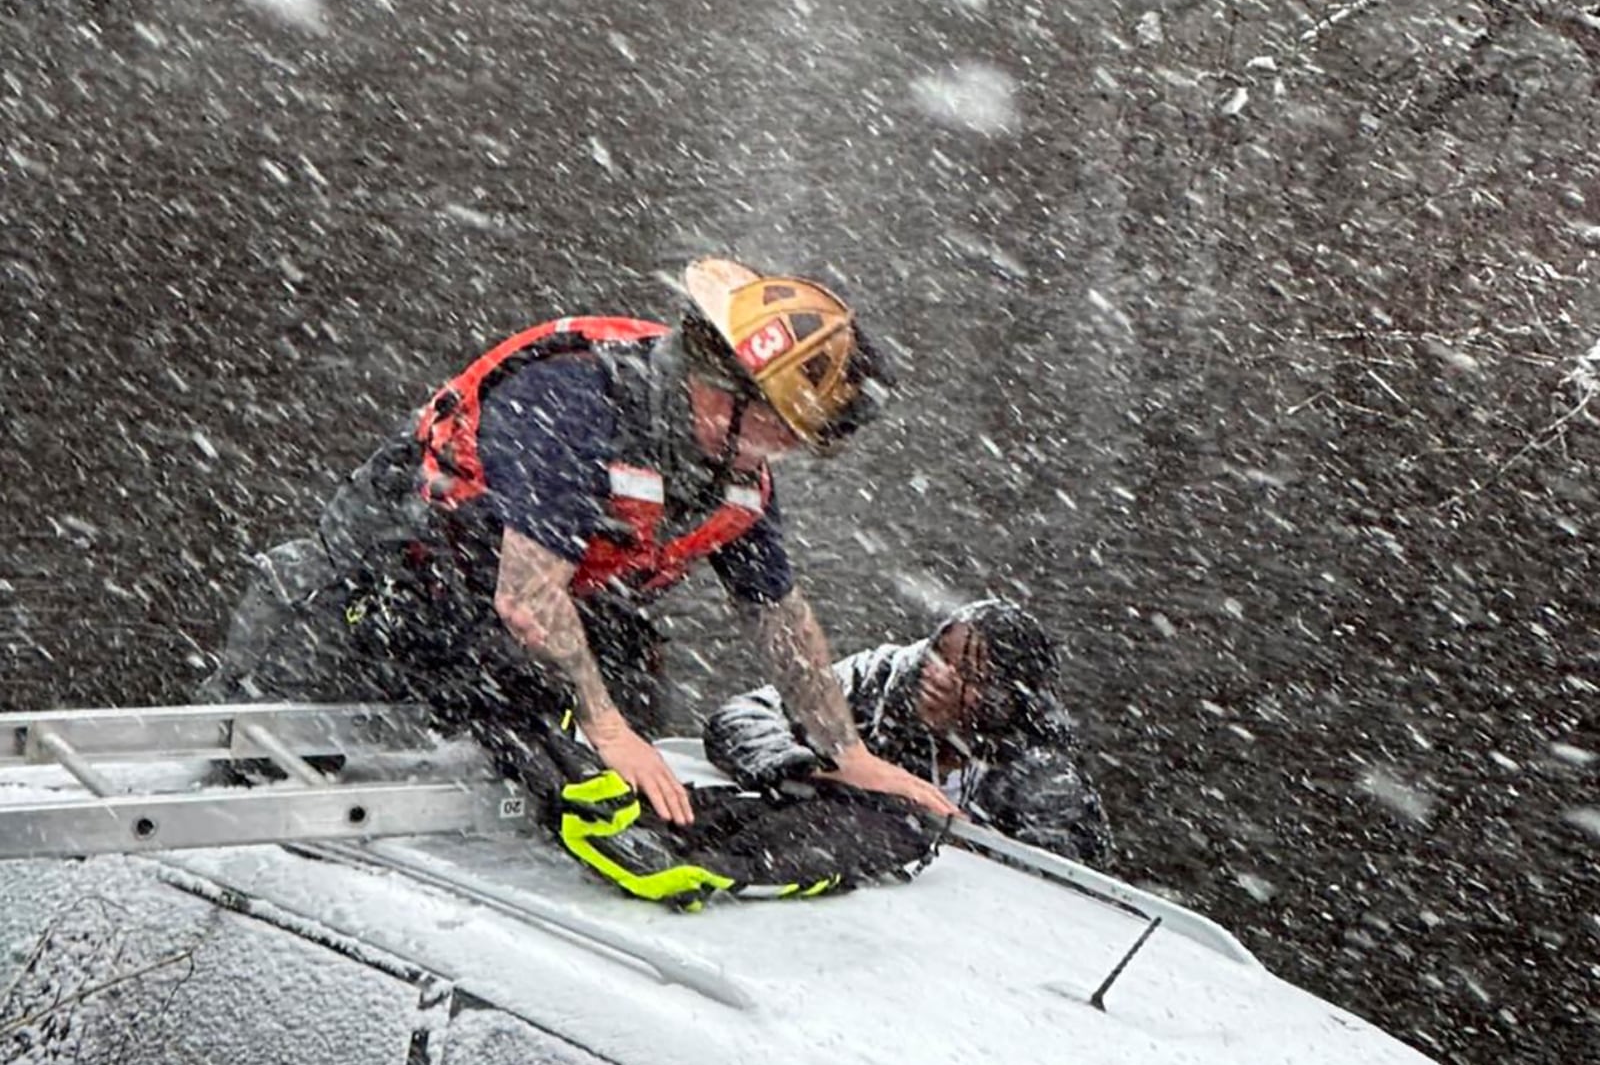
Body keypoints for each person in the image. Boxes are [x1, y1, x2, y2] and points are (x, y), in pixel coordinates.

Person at [207, 257, 957, 903]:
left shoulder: (733, 472)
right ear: (726, 392)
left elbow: (778, 616)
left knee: (622, 674)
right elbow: (527, 596)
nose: (780, 456)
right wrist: (604, 727)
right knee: (269, 781)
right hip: (363, 611)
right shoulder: (574, 398)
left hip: (510, 631)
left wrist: (845, 751)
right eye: (780, 432)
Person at [703, 598, 1112, 866]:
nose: (939, 677)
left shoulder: (1041, 770)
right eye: (939, 657)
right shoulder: (878, 679)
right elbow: (742, 716)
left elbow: (1068, 875)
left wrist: (963, 842)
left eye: (969, 675)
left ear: (1007, 697)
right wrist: (816, 771)